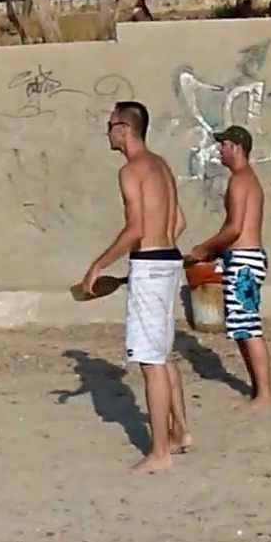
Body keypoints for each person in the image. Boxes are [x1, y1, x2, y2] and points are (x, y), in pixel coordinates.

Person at [80, 100, 191, 474]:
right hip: (168, 259)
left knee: (150, 361)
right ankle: (181, 432)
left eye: (110, 124)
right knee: (163, 352)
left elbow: (136, 229)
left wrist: (99, 264)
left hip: (151, 264)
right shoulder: (161, 166)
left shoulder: (131, 170)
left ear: (124, 129)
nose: (107, 131)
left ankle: (160, 452)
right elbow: (179, 222)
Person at [185, 125, 271, 409]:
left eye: (222, 144)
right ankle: (258, 390)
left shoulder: (240, 180)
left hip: (245, 262)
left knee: (249, 326)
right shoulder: (246, 179)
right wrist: (215, 253)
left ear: (236, 147)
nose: (219, 150)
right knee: (240, 326)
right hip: (242, 260)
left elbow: (235, 228)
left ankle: (264, 394)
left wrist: (204, 248)